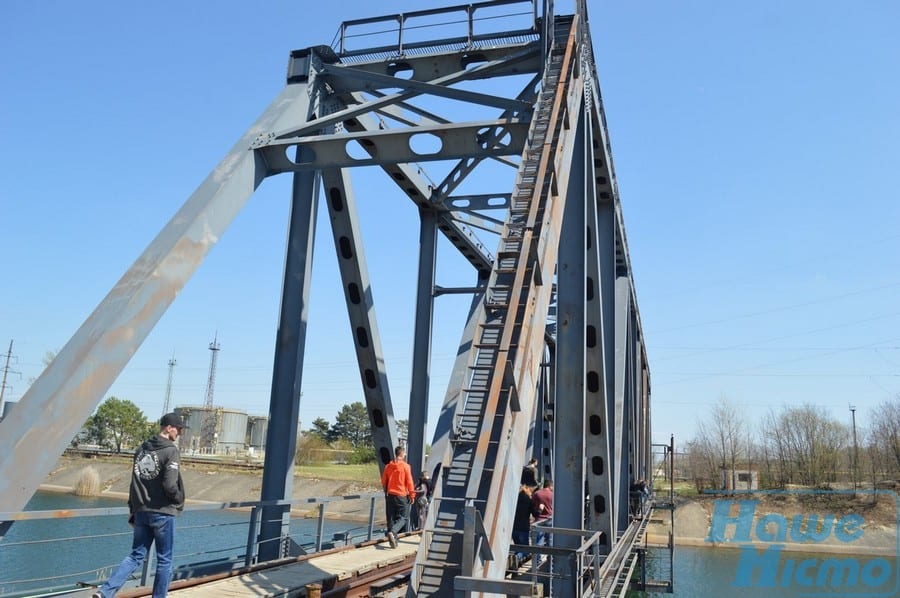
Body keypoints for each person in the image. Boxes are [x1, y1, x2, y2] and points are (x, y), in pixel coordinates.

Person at [93, 412, 187, 598]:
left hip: (142, 511)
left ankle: (105, 592)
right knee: (164, 560)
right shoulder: (171, 451)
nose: (180, 434)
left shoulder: (141, 449)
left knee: (135, 556)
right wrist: (177, 500)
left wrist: (132, 509)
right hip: (162, 512)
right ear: (169, 428)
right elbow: (170, 485)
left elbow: (134, 482)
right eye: (179, 429)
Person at [381, 446, 416, 548]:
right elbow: (409, 482)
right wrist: (412, 495)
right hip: (401, 495)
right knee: (403, 517)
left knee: (391, 518)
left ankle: (393, 541)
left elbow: (383, 481)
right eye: (404, 453)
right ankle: (393, 531)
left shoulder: (388, 466)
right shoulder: (406, 466)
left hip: (390, 495)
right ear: (402, 454)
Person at [510, 483, 534, 569]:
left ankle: (516, 568)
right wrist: (540, 509)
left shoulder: (514, 499)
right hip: (523, 528)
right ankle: (517, 558)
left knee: (518, 547)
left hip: (514, 528)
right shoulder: (529, 500)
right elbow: (534, 513)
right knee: (525, 549)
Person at [531, 478, 553, 546]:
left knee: (539, 540)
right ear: (550, 486)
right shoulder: (552, 494)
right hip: (549, 519)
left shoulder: (537, 493)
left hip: (539, 519)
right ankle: (550, 556)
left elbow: (532, 505)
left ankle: (537, 556)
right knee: (550, 540)